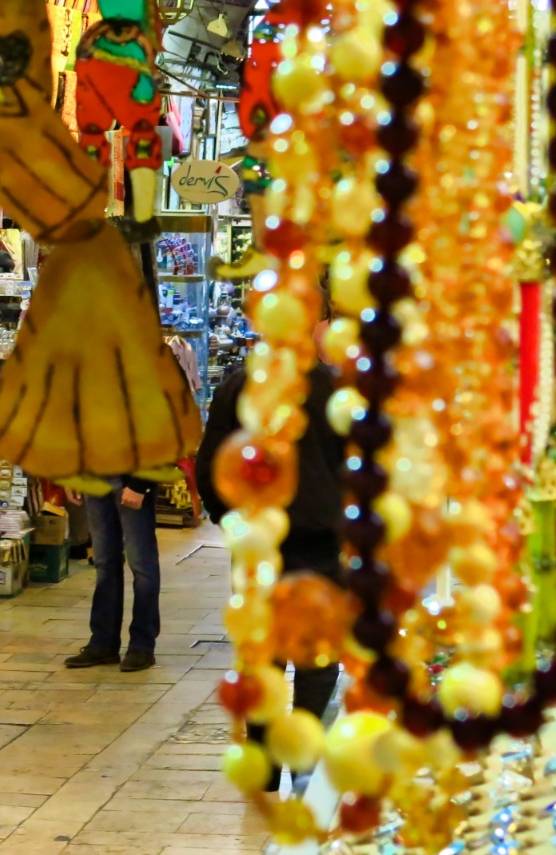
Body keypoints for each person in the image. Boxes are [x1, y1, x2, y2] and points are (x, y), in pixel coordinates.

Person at [195, 301, 344, 793]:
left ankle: (263, 763)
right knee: (315, 656)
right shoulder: (331, 388)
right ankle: (303, 757)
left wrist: (226, 514)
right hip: (321, 537)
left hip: (261, 540)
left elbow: (213, 458)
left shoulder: (241, 382)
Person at [62, 475, 162, 672]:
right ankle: (103, 643)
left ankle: (142, 646)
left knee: (142, 565)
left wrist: (140, 484)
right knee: (105, 563)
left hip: (130, 477)